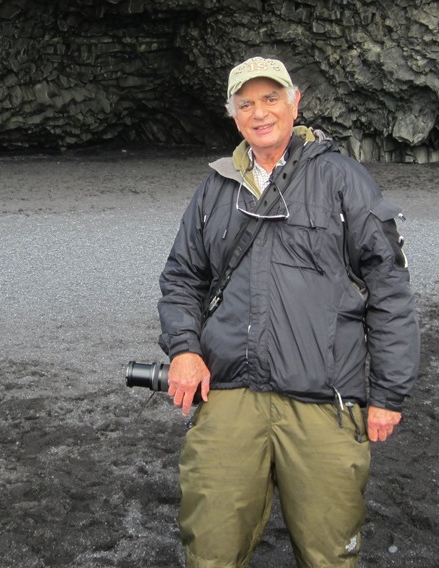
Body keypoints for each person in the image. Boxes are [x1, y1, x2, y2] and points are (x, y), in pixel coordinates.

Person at [157, 55, 421, 568]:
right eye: (246, 103)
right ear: (233, 115)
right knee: (210, 551)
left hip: (324, 401)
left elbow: (389, 287)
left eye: (271, 98)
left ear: (294, 102)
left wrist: (389, 393)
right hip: (230, 397)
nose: (260, 113)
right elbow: (181, 279)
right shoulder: (214, 190)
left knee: (329, 555)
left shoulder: (343, 180)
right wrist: (185, 350)